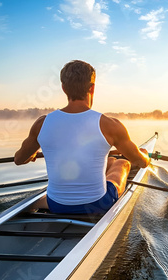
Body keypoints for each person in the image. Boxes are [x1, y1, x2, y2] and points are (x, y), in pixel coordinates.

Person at [14, 60, 150, 214]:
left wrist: (30, 155)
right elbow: (140, 162)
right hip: (98, 204)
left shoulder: (41, 124)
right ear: (92, 87)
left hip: (56, 204)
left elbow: (19, 160)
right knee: (122, 163)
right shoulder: (110, 125)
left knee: (110, 160)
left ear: (64, 88)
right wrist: (145, 156)